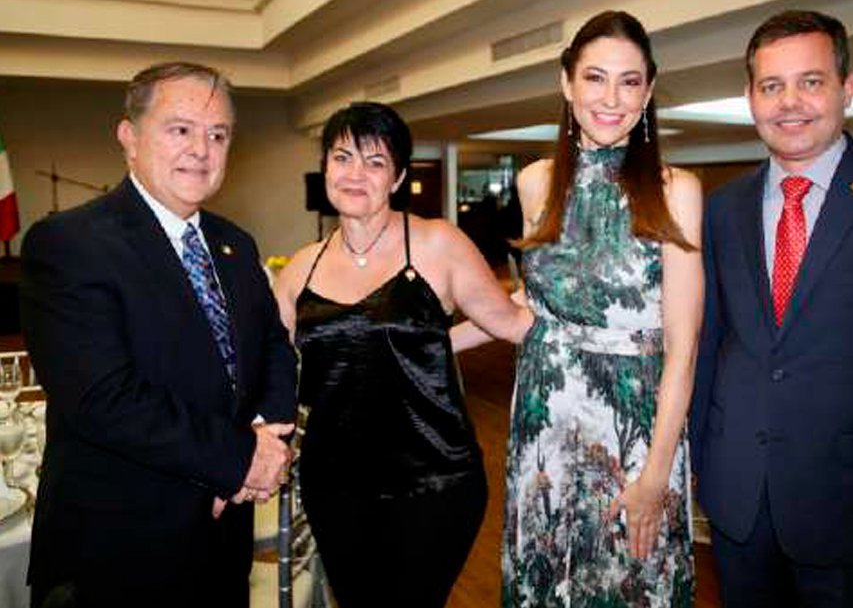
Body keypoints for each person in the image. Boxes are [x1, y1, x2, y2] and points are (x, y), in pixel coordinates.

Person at [691, 10, 853, 607]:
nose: (790, 102)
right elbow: (710, 348)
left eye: (810, 81)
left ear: (848, 87)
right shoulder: (720, 210)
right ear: (750, 98)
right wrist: (693, 465)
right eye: (771, 85)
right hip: (737, 506)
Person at [19, 62, 298, 608]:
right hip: (120, 552)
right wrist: (239, 458)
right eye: (180, 129)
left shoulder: (235, 244)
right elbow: (104, 398)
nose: (201, 150)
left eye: (218, 135)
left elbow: (273, 347)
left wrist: (264, 438)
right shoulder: (68, 244)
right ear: (128, 137)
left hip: (223, 540)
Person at [273, 101, 532, 608]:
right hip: (334, 485)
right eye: (342, 157)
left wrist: (568, 303)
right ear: (325, 168)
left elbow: (510, 322)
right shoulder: (301, 268)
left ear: (396, 178)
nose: (355, 174)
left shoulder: (437, 244)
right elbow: (274, 368)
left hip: (433, 482)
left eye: (375, 162)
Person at [495, 10, 704, 607]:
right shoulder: (535, 183)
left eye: (629, 81)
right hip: (544, 430)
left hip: (633, 437)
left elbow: (683, 347)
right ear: (566, 83)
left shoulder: (675, 190)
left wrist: (656, 475)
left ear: (649, 90)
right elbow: (538, 305)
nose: (611, 98)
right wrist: (430, 336)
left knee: (630, 587)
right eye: (595, 77)